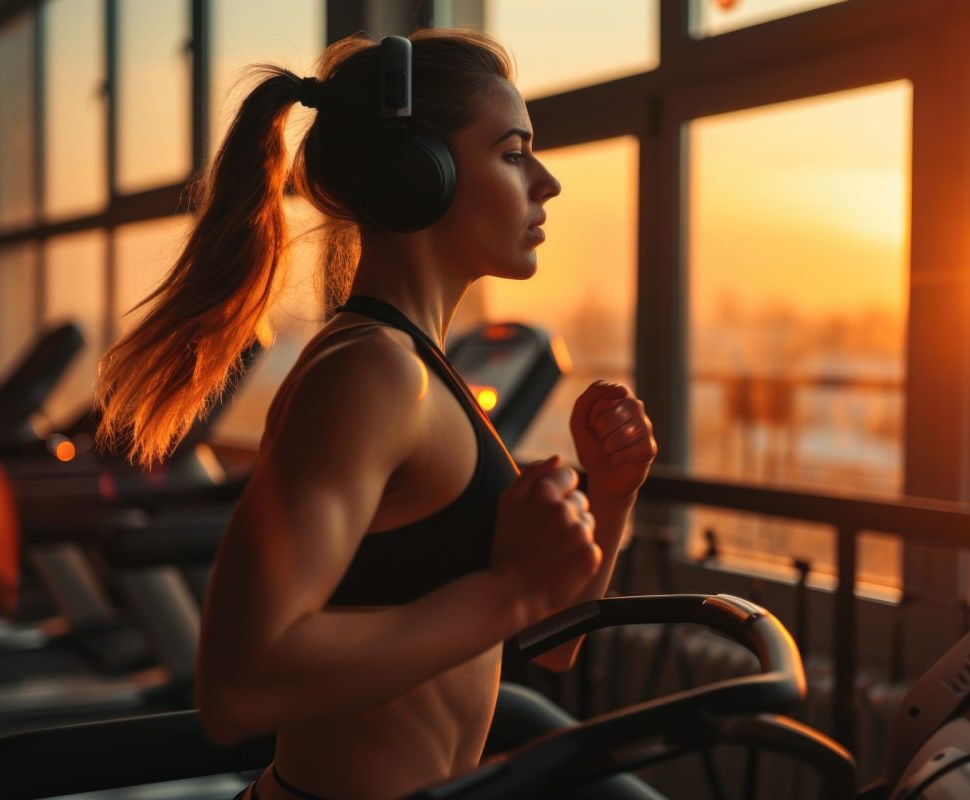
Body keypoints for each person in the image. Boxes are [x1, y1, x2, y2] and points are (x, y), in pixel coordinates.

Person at [96, 28, 658, 800]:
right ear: (415, 177)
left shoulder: (420, 368)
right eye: (512, 152)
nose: (547, 181)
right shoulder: (371, 374)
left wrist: (611, 492)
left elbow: (543, 643)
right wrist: (510, 589)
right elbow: (241, 688)